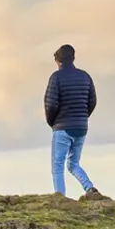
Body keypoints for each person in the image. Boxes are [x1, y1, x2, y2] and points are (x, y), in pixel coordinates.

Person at [42, 44, 103, 199]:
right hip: (81, 127)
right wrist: (82, 116)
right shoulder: (85, 76)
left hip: (62, 127)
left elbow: (50, 104)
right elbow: (92, 101)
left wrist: (53, 123)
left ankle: (60, 198)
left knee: (58, 165)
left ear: (58, 61)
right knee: (73, 163)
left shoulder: (56, 77)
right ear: (73, 58)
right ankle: (89, 188)